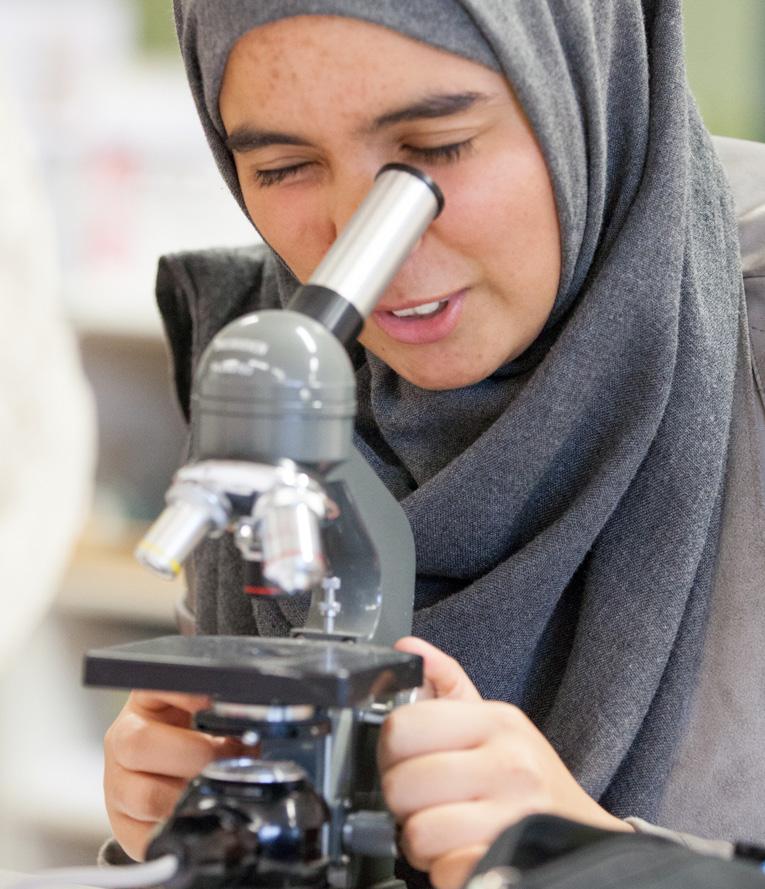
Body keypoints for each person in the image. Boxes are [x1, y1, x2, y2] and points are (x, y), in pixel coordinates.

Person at [101, 3, 765, 889]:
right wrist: (170, 837)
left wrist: (617, 863)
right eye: (283, 165)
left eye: (436, 148)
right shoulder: (269, 355)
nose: (361, 238)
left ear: (582, 83)